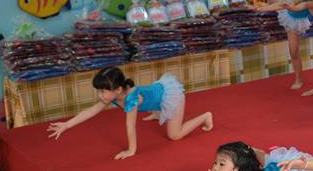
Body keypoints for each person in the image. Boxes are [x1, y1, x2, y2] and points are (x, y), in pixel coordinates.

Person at [47, 66, 212, 160]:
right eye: (98, 91)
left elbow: (130, 125)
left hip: (171, 95)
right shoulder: (113, 95)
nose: (100, 95)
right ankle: (159, 112)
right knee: (152, 104)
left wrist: (131, 150)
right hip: (156, 96)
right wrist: (67, 125)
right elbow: (90, 111)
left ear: (118, 89)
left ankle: (205, 116)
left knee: (174, 135)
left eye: (103, 91)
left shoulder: (131, 98)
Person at [240, 0, 310, 89]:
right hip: (289, 13)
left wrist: (260, 8)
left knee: (294, 51)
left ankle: (299, 80)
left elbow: (287, 4)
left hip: (296, 19)